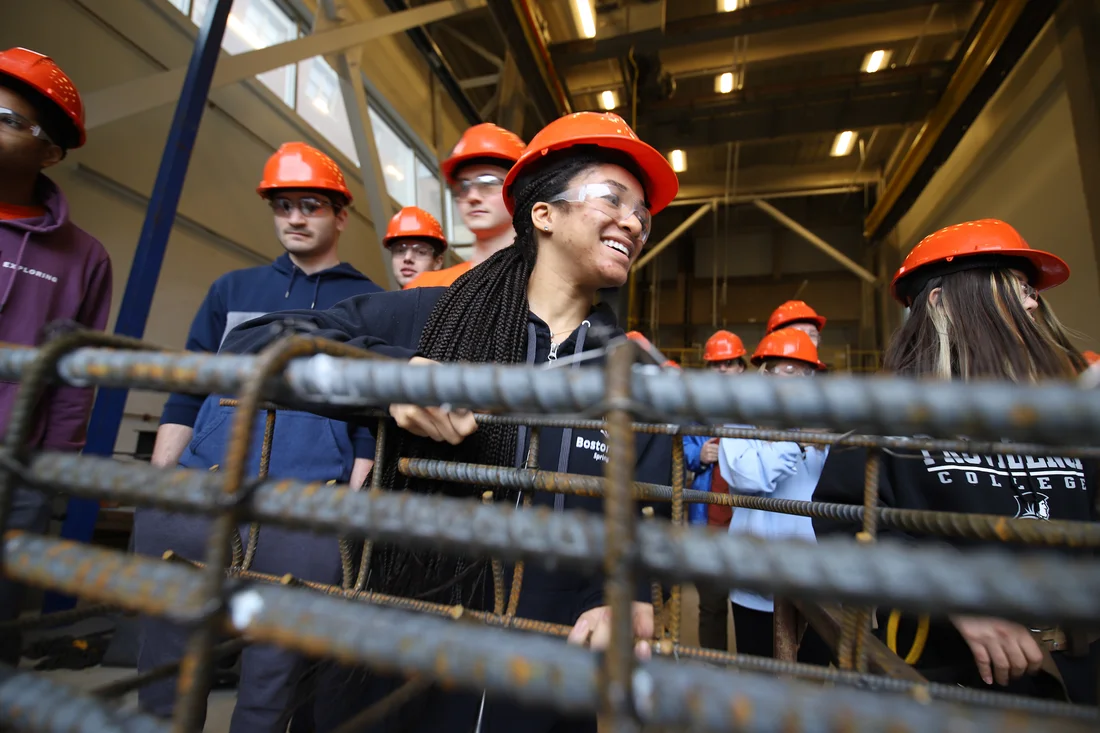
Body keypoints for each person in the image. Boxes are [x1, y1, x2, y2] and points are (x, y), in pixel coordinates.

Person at [223, 111, 679, 732]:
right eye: (612, 198)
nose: (633, 221)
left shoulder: (632, 377)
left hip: (544, 678)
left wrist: (628, 593)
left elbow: (645, 513)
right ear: (543, 214)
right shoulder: (436, 319)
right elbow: (250, 344)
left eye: (643, 215)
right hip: (401, 652)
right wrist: (392, 378)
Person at [135, 142, 383, 732]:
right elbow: (188, 386)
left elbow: (372, 415)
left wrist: (350, 501)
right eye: (284, 206)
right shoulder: (233, 291)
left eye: (311, 206)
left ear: (340, 215)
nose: (295, 218)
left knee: (273, 686)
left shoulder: (370, 302)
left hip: (305, 508)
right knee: (166, 671)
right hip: (207, 491)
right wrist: (162, 482)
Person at [813, 219, 1097, 702]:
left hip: (1077, 678)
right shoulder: (889, 420)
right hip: (951, 683)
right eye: (1017, 288)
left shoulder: (1063, 416)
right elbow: (845, 524)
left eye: (1032, 291)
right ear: (942, 302)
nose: (1034, 302)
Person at [0, 47, 112, 662]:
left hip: (16, 470)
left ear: (50, 151)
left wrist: (52, 472)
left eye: (8, 118)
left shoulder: (83, 258)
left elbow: (76, 381)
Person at [717, 329, 831, 662]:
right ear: (763, 372)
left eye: (805, 372)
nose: (796, 380)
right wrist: (795, 441)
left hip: (815, 580)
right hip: (757, 581)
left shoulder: (826, 424)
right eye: (787, 370)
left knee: (813, 680)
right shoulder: (740, 419)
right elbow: (746, 474)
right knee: (760, 682)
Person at [404, 122, 525, 288]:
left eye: (487, 182)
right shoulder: (426, 288)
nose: (472, 196)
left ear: (520, 190)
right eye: (463, 186)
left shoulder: (551, 288)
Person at [684, 329, 746, 651]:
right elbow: (682, 449)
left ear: (741, 367)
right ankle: (714, 668)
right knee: (711, 605)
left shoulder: (754, 409)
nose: (723, 370)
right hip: (707, 521)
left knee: (750, 605)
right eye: (716, 364)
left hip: (746, 522)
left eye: (729, 363)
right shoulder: (697, 409)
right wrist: (699, 455)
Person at [384, 206, 446, 288]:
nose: (407, 258)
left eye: (421, 252)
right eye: (400, 250)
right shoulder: (380, 300)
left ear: (438, 262)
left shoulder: (455, 300)